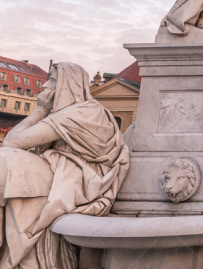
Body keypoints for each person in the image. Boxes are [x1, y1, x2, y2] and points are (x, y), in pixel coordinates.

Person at [0, 63, 129, 269]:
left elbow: (12, 142)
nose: (44, 86)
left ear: (65, 85)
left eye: (51, 81)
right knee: (7, 163)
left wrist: (40, 110)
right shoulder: (83, 110)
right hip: (66, 171)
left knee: (6, 159)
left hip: (80, 180)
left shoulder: (79, 114)